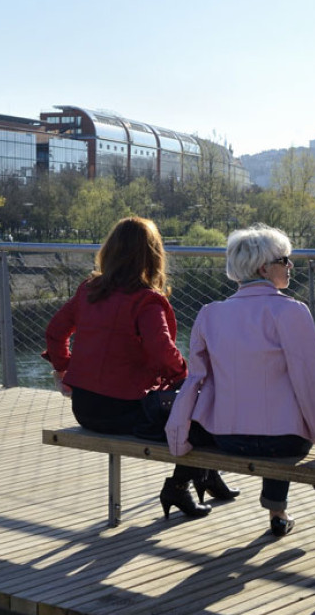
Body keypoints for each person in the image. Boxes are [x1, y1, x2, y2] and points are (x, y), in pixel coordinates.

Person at [166, 224, 315, 537]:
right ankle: (277, 511)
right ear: (264, 268)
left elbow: (195, 379)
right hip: (283, 442)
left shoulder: (210, 313)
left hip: (227, 437)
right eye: (284, 260)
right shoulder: (291, 311)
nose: (290, 266)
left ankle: (275, 509)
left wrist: (178, 434)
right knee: (287, 419)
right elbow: (308, 385)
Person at [44, 216, 235, 519]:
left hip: (85, 408)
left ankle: (204, 477)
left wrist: (65, 371)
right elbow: (162, 352)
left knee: (191, 408)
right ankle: (180, 485)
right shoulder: (146, 301)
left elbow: (55, 332)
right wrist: (187, 380)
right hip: (126, 412)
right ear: (152, 255)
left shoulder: (88, 291)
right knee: (199, 418)